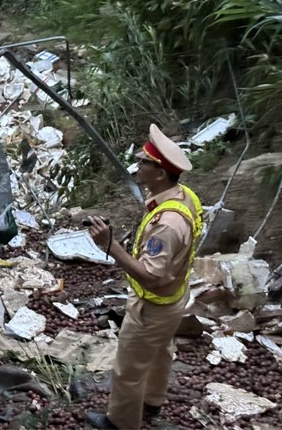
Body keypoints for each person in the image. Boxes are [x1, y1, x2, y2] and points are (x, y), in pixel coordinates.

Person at [85, 124, 203, 430]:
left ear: (160, 173)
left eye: (143, 163)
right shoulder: (184, 196)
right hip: (175, 296)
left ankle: (120, 422)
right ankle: (152, 401)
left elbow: (151, 275)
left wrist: (110, 245)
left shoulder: (167, 224)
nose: (137, 168)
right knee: (161, 350)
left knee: (128, 368)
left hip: (153, 303)